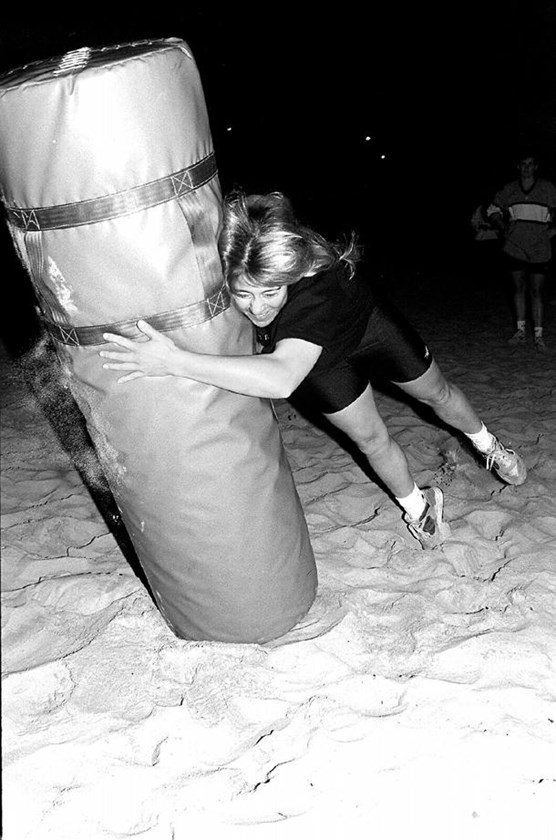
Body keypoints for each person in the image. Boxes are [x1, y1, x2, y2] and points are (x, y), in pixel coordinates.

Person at [100, 191, 527, 549]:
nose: (258, 307)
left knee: (438, 395)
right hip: (318, 359)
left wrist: (173, 360)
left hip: (365, 328)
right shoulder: (240, 256)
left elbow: (281, 379)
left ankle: (488, 444)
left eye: (270, 292)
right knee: (370, 438)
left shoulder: (318, 288)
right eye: (244, 295)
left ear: (289, 274)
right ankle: (419, 507)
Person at [486, 152, 556, 352]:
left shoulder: (548, 188)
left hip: (539, 248)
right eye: (523, 164)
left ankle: (539, 335)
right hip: (514, 247)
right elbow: (492, 210)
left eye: (530, 164)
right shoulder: (510, 189)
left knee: (537, 291)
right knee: (518, 288)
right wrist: (502, 225)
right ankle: (520, 331)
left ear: (536, 166)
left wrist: (553, 231)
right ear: (518, 167)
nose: (526, 168)